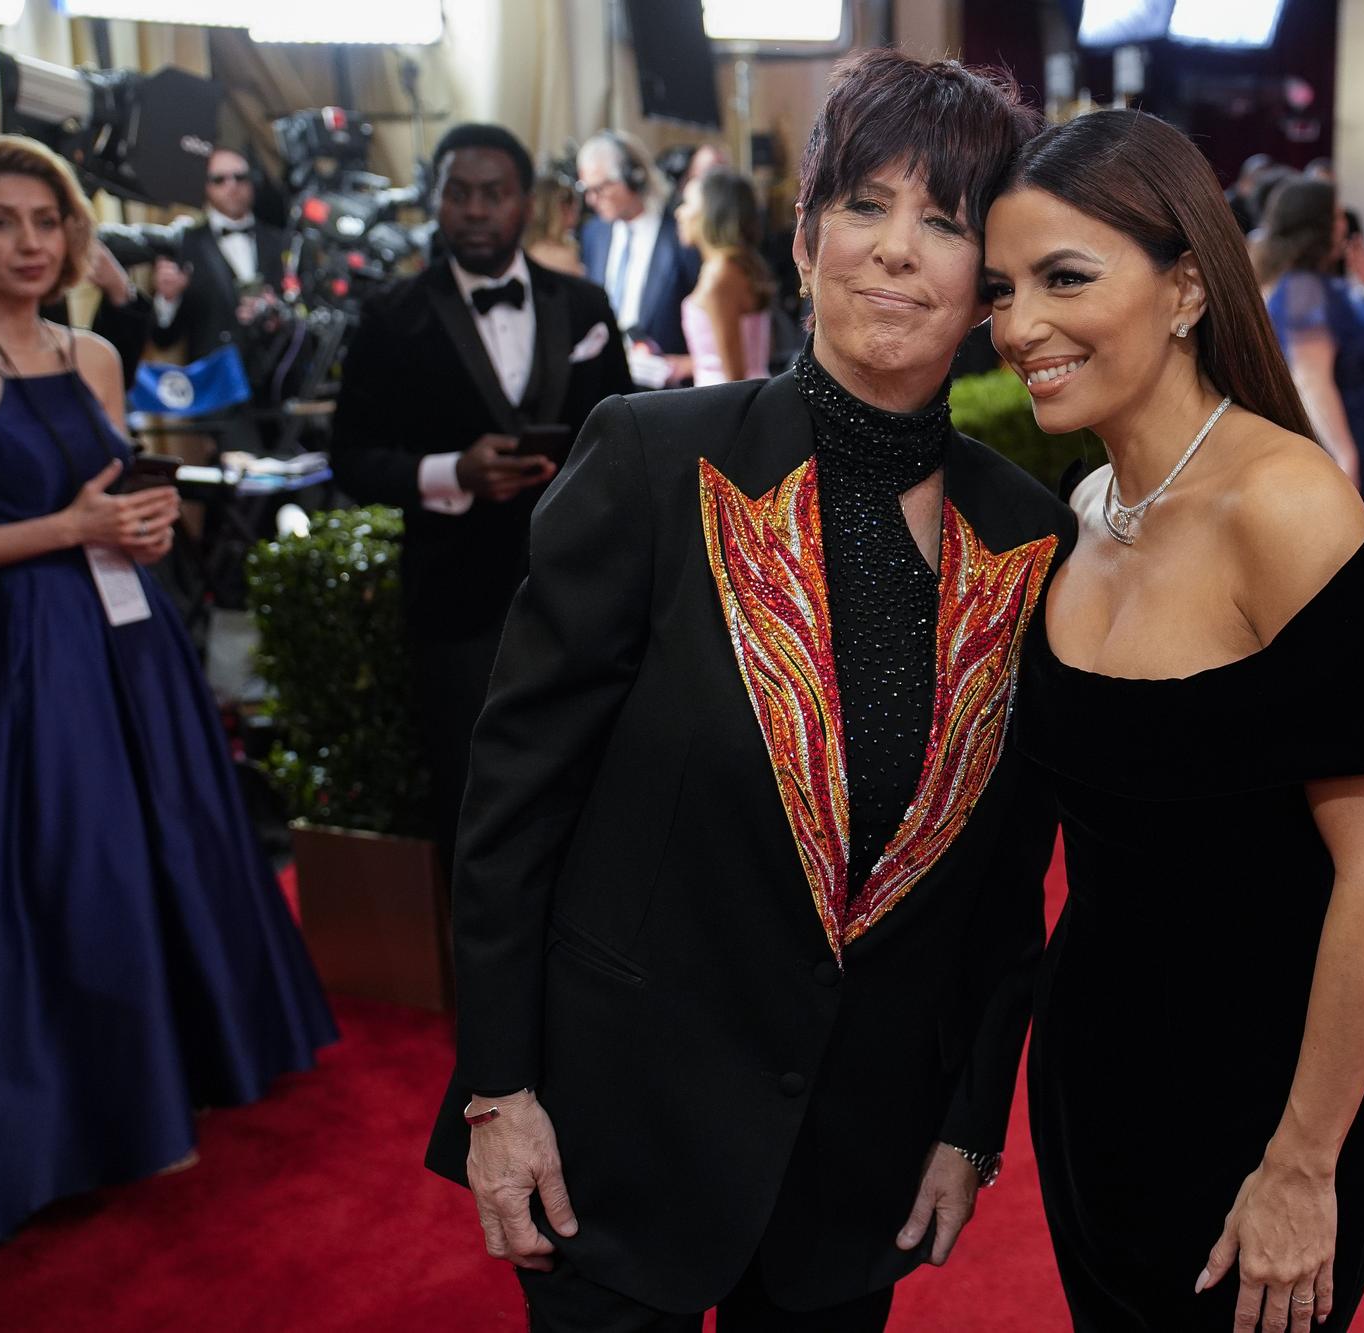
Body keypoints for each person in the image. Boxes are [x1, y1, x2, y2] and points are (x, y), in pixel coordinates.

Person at [423, 52, 1071, 1331]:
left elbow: (1005, 875)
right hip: (618, 1134)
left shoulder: (1027, 536)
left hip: (858, 1160)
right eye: (864, 206)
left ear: (986, 283)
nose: (894, 252)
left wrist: (967, 1122)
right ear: (805, 233)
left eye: (941, 221)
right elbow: (510, 806)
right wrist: (500, 1090)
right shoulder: (656, 461)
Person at [983, 107, 1364, 1333]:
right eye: (1002, 288)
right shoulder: (1083, 508)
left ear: (1185, 285)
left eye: (1063, 278)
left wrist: (1300, 1165)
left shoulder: (1284, 509)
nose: (1019, 325)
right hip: (1092, 1080)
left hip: (1265, 1102)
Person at [0, 134, 336, 1254]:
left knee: (157, 852)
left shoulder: (93, 355)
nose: (30, 243)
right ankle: (72, 1118)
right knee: (67, 874)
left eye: (47, 221)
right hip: (20, 656)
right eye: (0, 222)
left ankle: (177, 1080)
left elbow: (117, 496)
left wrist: (143, 521)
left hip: (131, 639)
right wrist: (66, 528)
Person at [329, 123, 630, 866]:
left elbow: (626, 440)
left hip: (579, 599)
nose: (473, 210)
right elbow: (350, 457)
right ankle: (481, 974)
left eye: (492, 194)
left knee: (593, 793)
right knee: (472, 803)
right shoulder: (390, 317)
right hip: (454, 599)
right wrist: (449, 473)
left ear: (524, 203)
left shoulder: (586, 307)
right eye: (457, 193)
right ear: (435, 201)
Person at [1254, 175, 1364, 521]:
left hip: (1357, 419)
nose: (1344, 224)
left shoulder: (1300, 280)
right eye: (1336, 216)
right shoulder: (1304, 288)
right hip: (1343, 424)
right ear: (1317, 226)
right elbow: (1311, 380)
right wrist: (1345, 454)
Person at [576, 130, 702, 387]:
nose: (592, 199)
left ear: (635, 177)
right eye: (586, 190)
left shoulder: (681, 235)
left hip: (667, 393)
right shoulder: (593, 234)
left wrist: (685, 363)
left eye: (601, 188)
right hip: (608, 386)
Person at [149, 146, 288, 366]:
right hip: (212, 387)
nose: (231, 186)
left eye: (240, 177)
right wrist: (168, 299)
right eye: (219, 179)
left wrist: (277, 313)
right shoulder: (186, 243)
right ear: (206, 186)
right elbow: (163, 339)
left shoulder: (281, 242)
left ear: (253, 181)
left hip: (274, 383)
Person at [673, 165, 774, 385]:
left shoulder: (721, 274)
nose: (679, 213)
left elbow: (734, 377)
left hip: (726, 404)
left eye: (687, 203)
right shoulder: (735, 264)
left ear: (710, 212)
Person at [524, 167, 585, 277]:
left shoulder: (520, 251)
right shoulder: (561, 256)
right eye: (571, 207)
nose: (576, 213)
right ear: (562, 209)